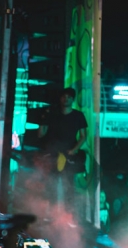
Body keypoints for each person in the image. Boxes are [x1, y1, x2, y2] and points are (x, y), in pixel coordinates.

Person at [37, 87, 87, 220]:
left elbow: (83, 136)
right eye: (64, 96)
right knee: (51, 184)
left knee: (69, 185)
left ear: (73, 99)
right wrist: (42, 119)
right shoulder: (52, 113)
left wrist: (74, 149)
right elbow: (41, 133)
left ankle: (68, 215)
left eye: (69, 97)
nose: (66, 99)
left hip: (69, 155)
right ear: (60, 99)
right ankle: (50, 214)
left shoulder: (78, 115)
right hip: (53, 154)